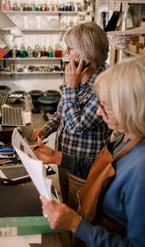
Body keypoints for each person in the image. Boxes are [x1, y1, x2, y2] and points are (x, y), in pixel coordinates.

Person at [32, 56, 145, 247]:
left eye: (106, 107)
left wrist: (76, 224)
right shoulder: (128, 136)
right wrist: (56, 157)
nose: (99, 113)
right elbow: (103, 171)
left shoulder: (141, 171)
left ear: (132, 109)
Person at [29, 22, 112, 209]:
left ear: (86, 53)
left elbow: (77, 127)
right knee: (66, 207)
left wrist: (72, 88)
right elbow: (61, 113)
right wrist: (45, 130)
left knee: (79, 218)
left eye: (71, 47)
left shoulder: (104, 85)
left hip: (83, 169)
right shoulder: (77, 74)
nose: (65, 51)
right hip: (63, 159)